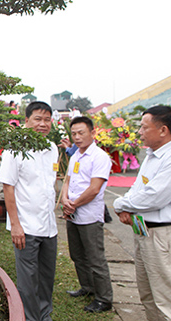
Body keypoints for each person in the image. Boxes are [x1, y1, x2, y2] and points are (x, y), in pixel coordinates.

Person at [113, 105, 171, 321]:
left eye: (143, 127)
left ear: (163, 130)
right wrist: (128, 207)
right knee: (149, 296)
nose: (139, 132)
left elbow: (154, 196)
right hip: (144, 230)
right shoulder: (152, 156)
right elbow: (139, 189)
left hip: (165, 237)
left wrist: (121, 204)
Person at [0, 101, 59, 321]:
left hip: (49, 226)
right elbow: (8, 187)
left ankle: (45, 315)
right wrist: (15, 224)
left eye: (47, 119)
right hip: (26, 226)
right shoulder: (14, 148)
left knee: (46, 277)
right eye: (38, 119)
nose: (43, 124)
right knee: (27, 279)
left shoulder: (52, 148)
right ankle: (31, 318)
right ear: (26, 121)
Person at [60, 116, 113, 313]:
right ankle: (87, 287)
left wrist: (73, 204)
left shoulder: (99, 157)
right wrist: (65, 200)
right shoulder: (75, 156)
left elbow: (94, 188)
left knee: (95, 257)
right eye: (73, 133)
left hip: (89, 215)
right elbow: (67, 180)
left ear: (92, 133)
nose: (77, 137)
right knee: (77, 254)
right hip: (72, 213)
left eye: (81, 133)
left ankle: (104, 298)